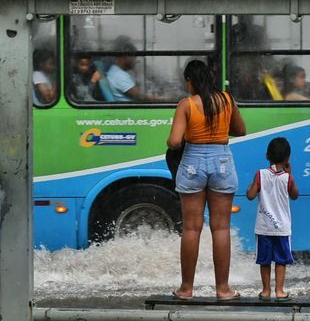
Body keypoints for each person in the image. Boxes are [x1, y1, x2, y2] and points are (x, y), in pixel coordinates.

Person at [167, 60, 246, 301]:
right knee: (221, 228)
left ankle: (186, 289)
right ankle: (223, 290)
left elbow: (174, 142)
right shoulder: (226, 100)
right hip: (221, 159)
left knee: (192, 228)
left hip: (193, 161)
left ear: (190, 80)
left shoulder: (187, 105)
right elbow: (241, 130)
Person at [246, 137, 299, 301]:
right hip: (282, 227)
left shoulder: (260, 174)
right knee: (281, 261)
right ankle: (280, 291)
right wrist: (290, 174)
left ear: (267, 155)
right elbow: (295, 195)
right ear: (288, 158)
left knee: (265, 261)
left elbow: (250, 195)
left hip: (264, 227)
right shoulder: (287, 178)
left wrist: (252, 184)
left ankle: (266, 291)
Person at [106, 36, 153, 103]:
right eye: (134, 57)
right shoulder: (118, 75)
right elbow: (140, 97)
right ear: (126, 56)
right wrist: (164, 99)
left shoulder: (117, 71)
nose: (135, 60)